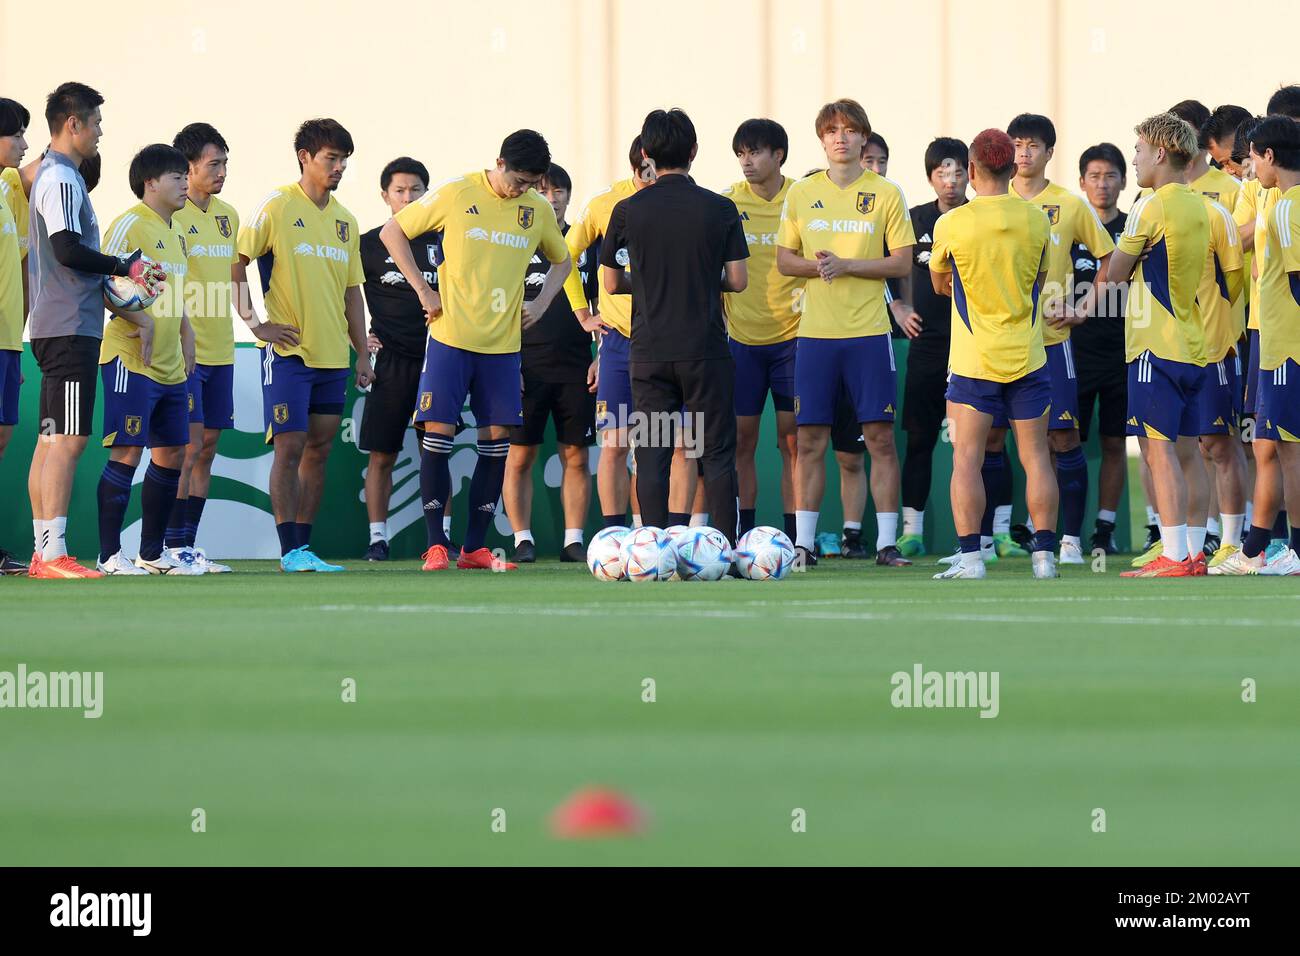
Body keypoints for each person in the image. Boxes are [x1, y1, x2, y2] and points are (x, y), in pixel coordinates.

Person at [380, 129, 570, 571]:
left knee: (496, 441)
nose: (522, 190)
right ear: (499, 163)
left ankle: (474, 549)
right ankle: (435, 546)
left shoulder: (536, 209)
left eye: (530, 183)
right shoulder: (457, 191)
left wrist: (540, 305)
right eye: (518, 180)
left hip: (503, 347)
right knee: (439, 437)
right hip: (450, 339)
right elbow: (393, 232)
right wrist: (424, 290)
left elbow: (563, 258)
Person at [27, 82, 159, 579]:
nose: (101, 132)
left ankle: (44, 551)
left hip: (54, 325)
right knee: (68, 440)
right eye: (97, 123)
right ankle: (53, 553)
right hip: (68, 328)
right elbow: (66, 249)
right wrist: (125, 265)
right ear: (74, 124)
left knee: (48, 440)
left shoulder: (57, 175)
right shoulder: (60, 177)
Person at [777, 98, 914, 568]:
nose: (841, 137)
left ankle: (886, 544)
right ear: (821, 139)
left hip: (870, 335)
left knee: (879, 439)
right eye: (832, 130)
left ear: (863, 137)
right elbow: (783, 260)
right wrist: (821, 269)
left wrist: (849, 264)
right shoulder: (801, 193)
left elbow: (901, 261)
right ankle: (803, 545)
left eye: (849, 129)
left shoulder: (886, 193)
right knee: (809, 440)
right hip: (814, 336)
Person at [601, 107, 747, 541]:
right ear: (694, 152)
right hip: (705, 352)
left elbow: (610, 282)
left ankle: (652, 547)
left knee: (653, 454)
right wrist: (700, 276)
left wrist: (647, 280)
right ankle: (725, 548)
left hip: (649, 354)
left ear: (646, 153)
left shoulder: (628, 209)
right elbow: (737, 281)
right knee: (715, 452)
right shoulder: (720, 208)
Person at [235, 118, 372, 572]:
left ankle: (303, 547)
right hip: (288, 351)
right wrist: (255, 324)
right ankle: (287, 549)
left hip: (334, 354)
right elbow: (236, 263)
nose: (339, 168)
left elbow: (354, 292)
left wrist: (363, 353)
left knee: (320, 449)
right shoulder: (276, 205)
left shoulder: (345, 221)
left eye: (343, 160)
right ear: (305, 158)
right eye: (331, 159)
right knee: (289, 446)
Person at [929, 128, 1058, 580]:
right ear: (1011, 167)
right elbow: (1040, 281)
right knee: (1036, 456)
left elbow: (940, 284)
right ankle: (1044, 558)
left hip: (973, 360)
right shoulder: (1037, 219)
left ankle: (970, 560)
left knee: (966, 458)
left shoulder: (951, 223)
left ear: (971, 168)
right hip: (1029, 355)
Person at [1007, 113, 1114, 566]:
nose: (1024, 152)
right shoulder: (991, 200)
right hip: (1001, 342)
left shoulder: (1069, 205)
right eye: (1017, 144)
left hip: (1051, 341)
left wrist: (1084, 308)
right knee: (995, 441)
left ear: (1051, 152)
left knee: (1063, 438)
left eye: (1034, 145)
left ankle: (1070, 538)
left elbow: (1111, 261)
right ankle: (989, 538)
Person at [1111, 113, 1212, 578]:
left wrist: (1128, 261)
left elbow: (1114, 275)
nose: (1133, 160)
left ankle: (1172, 554)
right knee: (1190, 452)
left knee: (1158, 450)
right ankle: (1192, 551)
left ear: (1158, 152)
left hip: (1155, 344)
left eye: (1136, 151)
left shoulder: (1149, 206)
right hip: (1194, 343)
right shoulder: (1200, 205)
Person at [95, 144, 201, 574]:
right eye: (177, 176)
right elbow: (101, 281)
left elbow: (173, 293)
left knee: (173, 452)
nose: (185, 183)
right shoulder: (129, 225)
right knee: (127, 453)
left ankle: (152, 555)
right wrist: (140, 321)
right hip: (130, 358)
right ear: (150, 183)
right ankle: (108, 556)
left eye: (184, 176)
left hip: (171, 365)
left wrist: (187, 332)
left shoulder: (175, 233)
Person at [356, 156, 455, 561]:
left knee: (439, 449)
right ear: (384, 195)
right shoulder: (367, 243)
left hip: (439, 358)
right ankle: (378, 538)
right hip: (390, 361)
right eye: (399, 190)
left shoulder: (445, 241)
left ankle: (442, 539)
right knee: (383, 455)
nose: (408, 196)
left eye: (416, 190)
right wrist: (360, 338)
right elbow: (342, 295)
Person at [1214, 114, 1300, 574]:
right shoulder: (1279, 202)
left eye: (1252, 157)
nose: (1249, 168)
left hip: (1286, 343)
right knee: (1274, 443)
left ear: (1270, 156)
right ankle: (1255, 551)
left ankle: (1293, 550)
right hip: (1274, 340)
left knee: (1289, 447)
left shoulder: (1285, 207)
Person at [503, 162, 598, 563]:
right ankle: (522, 538)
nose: (552, 198)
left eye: (559, 191)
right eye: (543, 191)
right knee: (520, 454)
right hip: (524, 365)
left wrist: (602, 356)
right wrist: (507, 365)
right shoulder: (511, 243)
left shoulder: (585, 245)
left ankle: (572, 540)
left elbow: (602, 306)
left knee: (575, 454)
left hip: (577, 364)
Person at [562, 137, 655, 528]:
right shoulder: (605, 204)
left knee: (662, 444)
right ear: (637, 165)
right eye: (647, 170)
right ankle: (615, 535)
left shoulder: (682, 201)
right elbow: (563, 255)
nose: (654, 178)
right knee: (615, 444)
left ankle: (648, 532)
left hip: (669, 339)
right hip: (617, 340)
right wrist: (583, 315)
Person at [165, 122, 239, 573]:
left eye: (225, 163)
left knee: (208, 446)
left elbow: (235, 280)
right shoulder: (172, 215)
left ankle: (189, 545)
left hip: (224, 349)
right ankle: (170, 547)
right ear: (187, 168)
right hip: (185, 350)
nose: (223, 172)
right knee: (188, 447)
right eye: (214, 164)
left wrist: (256, 322)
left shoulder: (228, 214)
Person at [891, 137, 970, 559]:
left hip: (973, 347)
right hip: (926, 346)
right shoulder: (914, 217)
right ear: (930, 177)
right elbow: (896, 267)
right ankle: (912, 531)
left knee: (975, 444)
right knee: (920, 439)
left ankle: (983, 537)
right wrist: (900, 305)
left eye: (958, 171)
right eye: (943, 171)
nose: (951, 180)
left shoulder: (980, 216)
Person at [723, 118, 800, 542]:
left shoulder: (803, 198)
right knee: (740, 444)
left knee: (792, 445)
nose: (746, 162)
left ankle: (793, 538)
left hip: (793, 339)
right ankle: (743, 536)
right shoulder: (726, 203)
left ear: (779, 155)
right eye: (740, 153)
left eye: (754, 152)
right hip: (741, 341)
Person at [1071, 143, 1130, 554]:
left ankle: (1104, 530)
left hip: (1123, 351)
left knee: (1114, 444)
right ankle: (1067, 530)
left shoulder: (1134, 228)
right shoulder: (1070, 228)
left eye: (1110, 175)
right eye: (1094, 176)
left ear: (1123, 181)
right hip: (1074, 351)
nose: (1102, 184)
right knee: (1066, 441)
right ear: (1081, 182)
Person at [0, 98, 29, 574]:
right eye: (17, 135)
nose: (24, 145)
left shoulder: (7, 193)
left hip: (8, 342)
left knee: (2, 439)